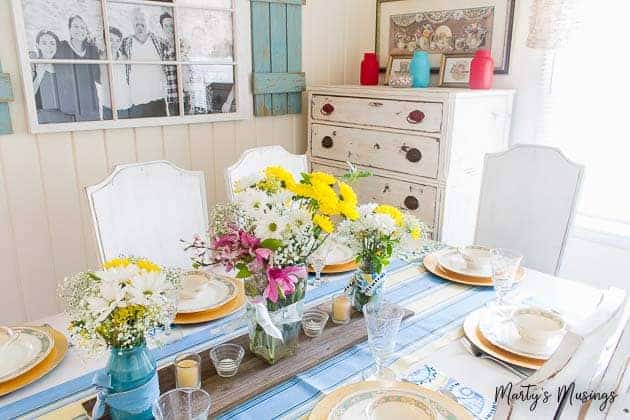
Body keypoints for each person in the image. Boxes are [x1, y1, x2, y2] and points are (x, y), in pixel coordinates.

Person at [121, 8, 170, 118]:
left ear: (148, 21)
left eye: (142, 19)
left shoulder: (160, 42)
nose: (139, 22)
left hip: (158, 99)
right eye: (136, 19)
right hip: (136, 101)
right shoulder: (125, 43)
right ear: (132, 22)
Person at [54, 14, 103, 122]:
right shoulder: (61, 47)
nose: (79, 30)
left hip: (90, 104)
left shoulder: (92, 50)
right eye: (76, 26)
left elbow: (99, 78)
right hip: (67, 106)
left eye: (83, 27)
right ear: (69, 29)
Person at [32, 30, 74, 124]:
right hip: (42, 116)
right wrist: (40, 74)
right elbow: (29, 95)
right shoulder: (33, 65)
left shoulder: (61, 66)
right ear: (38, 45)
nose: (48, 47)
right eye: (44, 43)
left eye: (52, 43)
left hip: (65, 115)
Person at [101, 27, 132, 119]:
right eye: (111, 40)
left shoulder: (125, 58)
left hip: (125, 105)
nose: (114, 44)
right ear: (104, 41)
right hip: (107, 105)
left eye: (118, 41)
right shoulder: (100, 58)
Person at [159, 12, 179, 116]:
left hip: (185, 95)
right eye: (166, 26)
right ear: (162, 28)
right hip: (171, 96)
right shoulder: (161, 46)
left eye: (171, 25)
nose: (169, 28)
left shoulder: (182, 45)